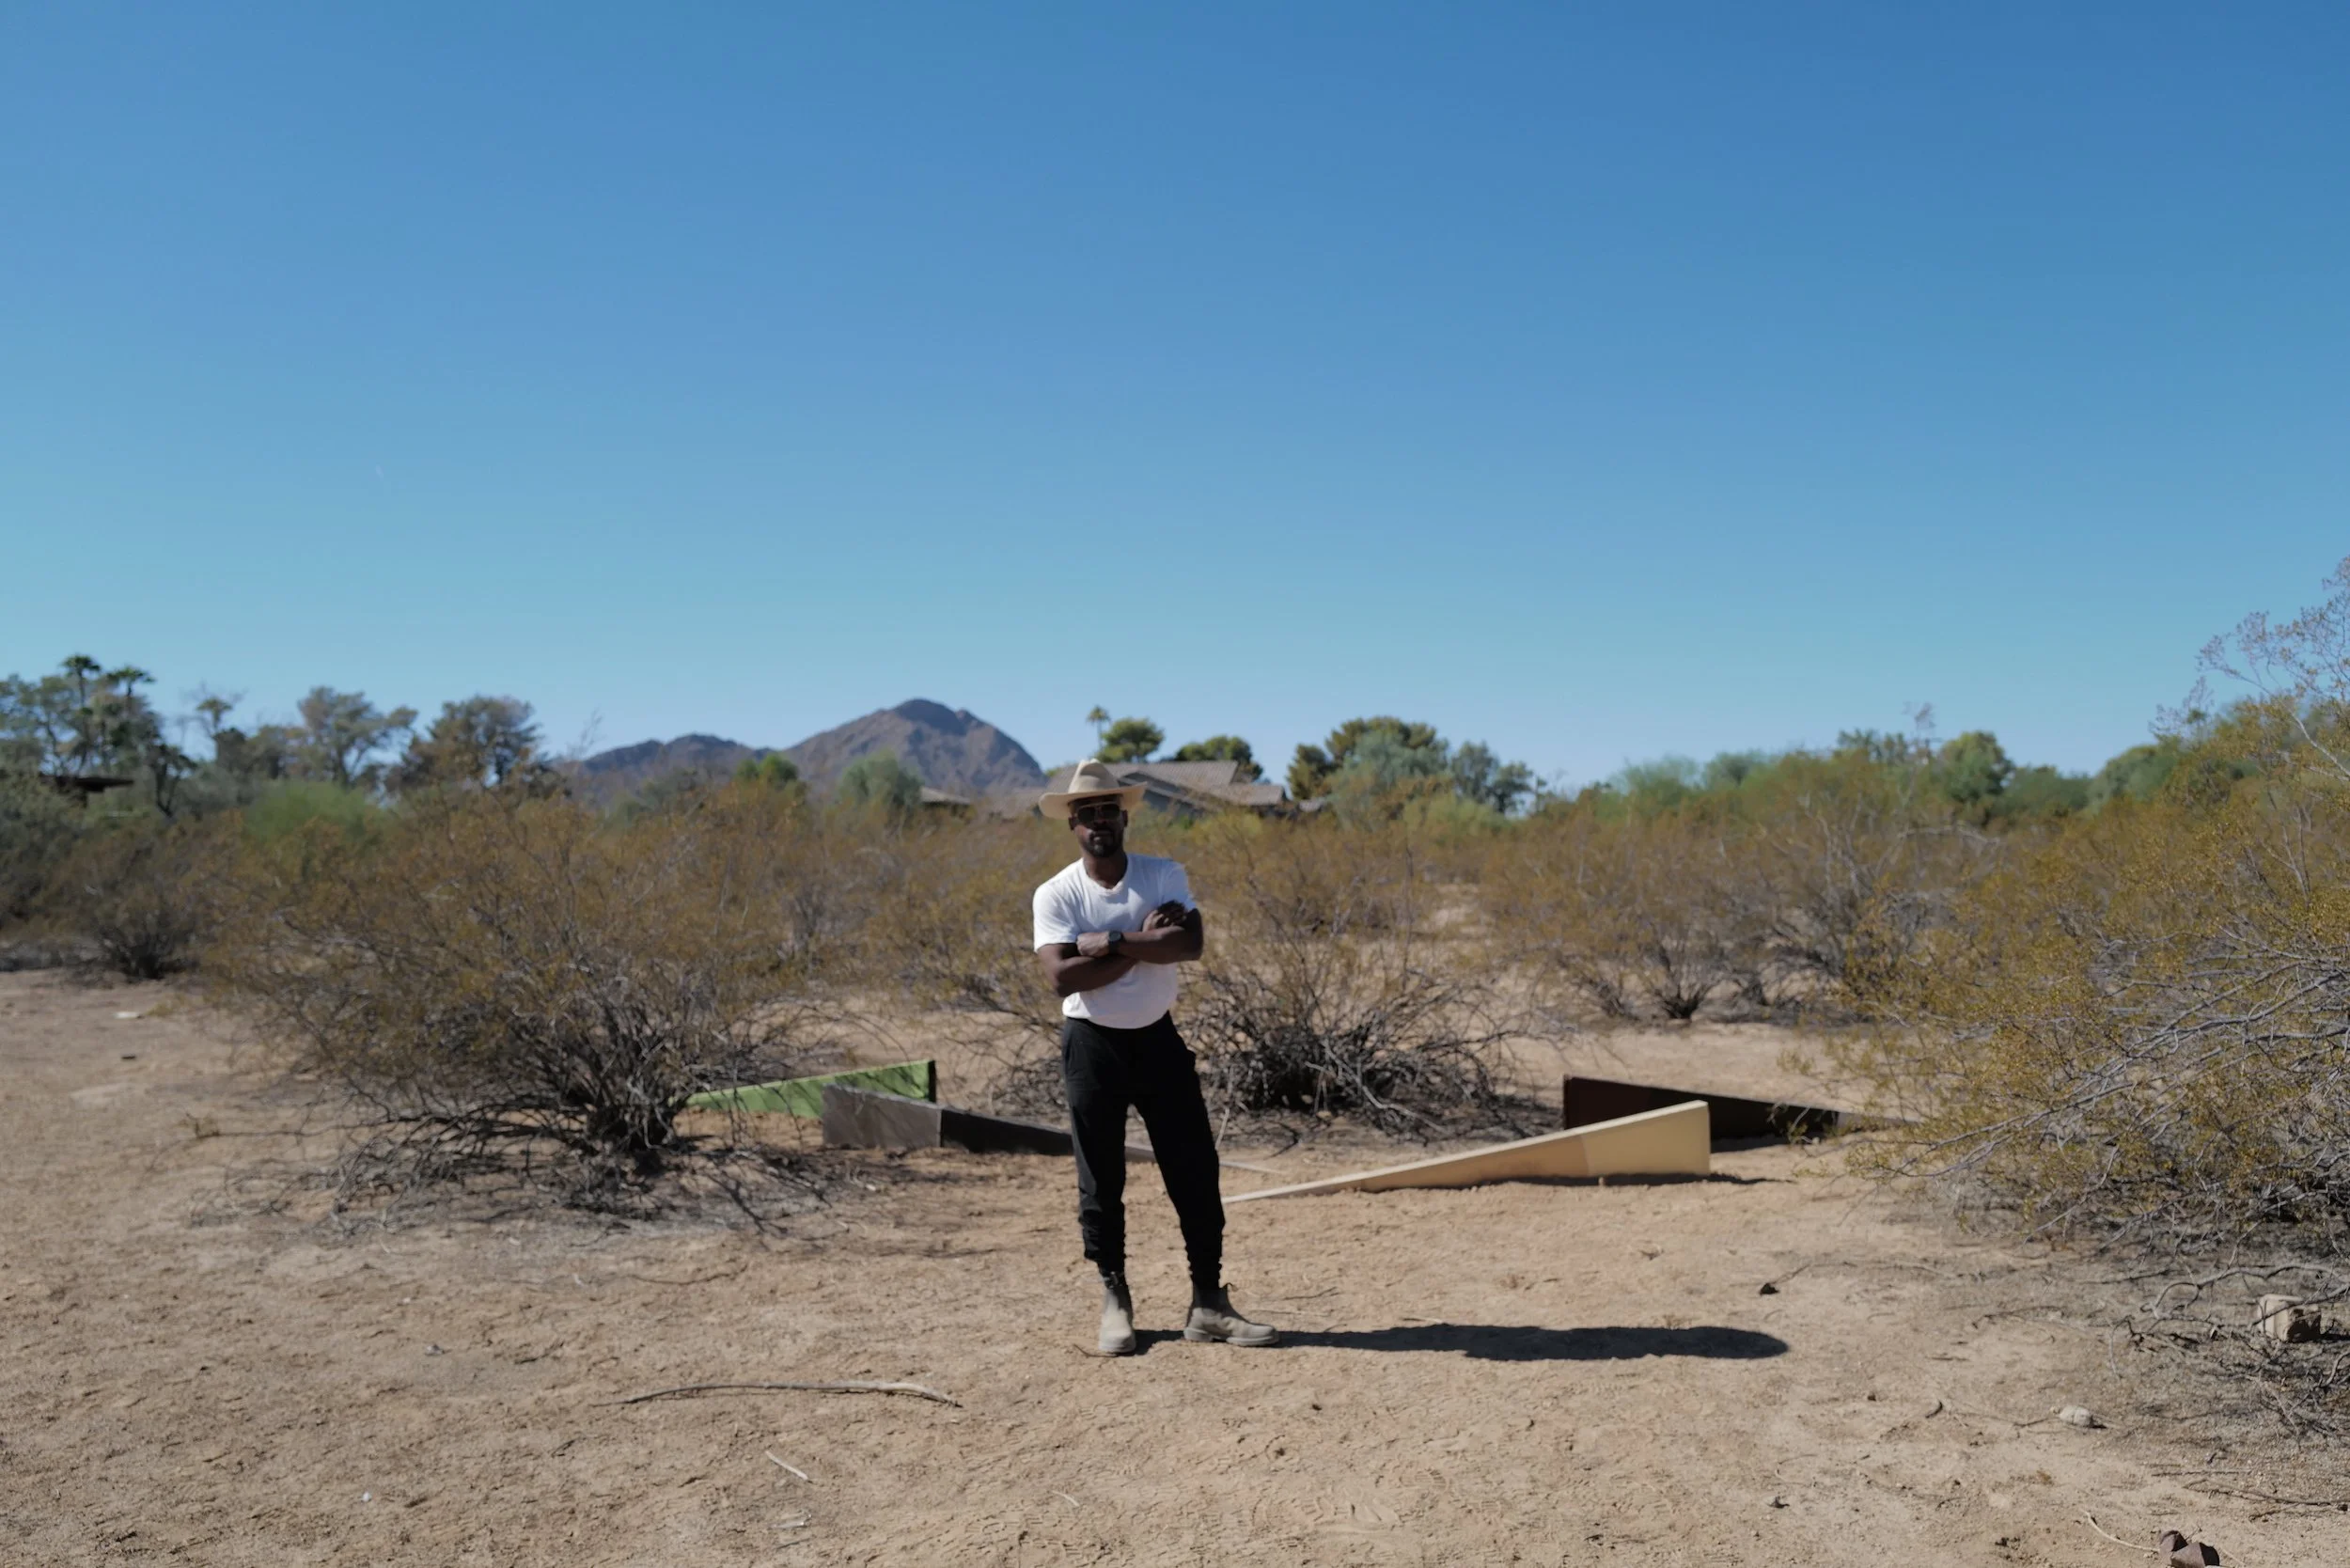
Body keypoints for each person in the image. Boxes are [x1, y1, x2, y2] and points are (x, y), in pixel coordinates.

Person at [1032, 760, 1278, 1356]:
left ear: (1124, 816)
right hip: (1092, 1045)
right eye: (1086, 813)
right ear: (1073, 823)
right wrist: (1146, 944)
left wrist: (1112, 941)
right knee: (1101, 1178)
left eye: (1107, 811)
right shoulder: (1057, 893)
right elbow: (1064, 976)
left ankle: (1208, 1302)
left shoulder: (1163, 874)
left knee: (1194, 1168)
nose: (1098, 822)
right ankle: (1115, 1297)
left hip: (1158, 1039)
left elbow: (1189, 944)